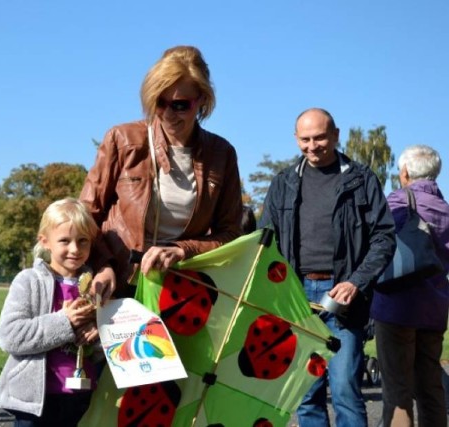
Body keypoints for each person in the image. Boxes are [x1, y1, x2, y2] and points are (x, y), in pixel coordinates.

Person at [259, 107, 396, 427]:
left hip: (344, 298)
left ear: (335, 135)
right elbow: (264, 241)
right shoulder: (283, 182)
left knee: (346, 390)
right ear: (295, 139)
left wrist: (355, 282)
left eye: (319, 137)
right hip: (297, 298)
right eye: (305, 139)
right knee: (307, 396)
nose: (312, 145)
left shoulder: (362, 180)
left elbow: (384, 238)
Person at [80, 45, 243, 298]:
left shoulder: (222, 154)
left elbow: (231, 234)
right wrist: (104, 265)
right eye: (159, 103)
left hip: (180, 294)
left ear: (202, 99)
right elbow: (86, 216)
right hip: (116, 285)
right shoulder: (122, 139)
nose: (168, 114)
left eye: (180, 105)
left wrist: (182, 249)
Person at [0, 198, 100, 427]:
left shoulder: (95, 285)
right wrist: (65, 322)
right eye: (64, 240)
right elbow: (10, 336)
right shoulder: (28, 281)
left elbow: (104, 347)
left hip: (83, 398)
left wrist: (98, 332)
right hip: (35, 403)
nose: (75, 249)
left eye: (83, 241)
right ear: (45, 241)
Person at [370, 145, 449, 426]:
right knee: (431, 388)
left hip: (396, 308)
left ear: (404, 172)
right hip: (435, 310)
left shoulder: (396, 203)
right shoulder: (445, 209)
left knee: (398, 391)